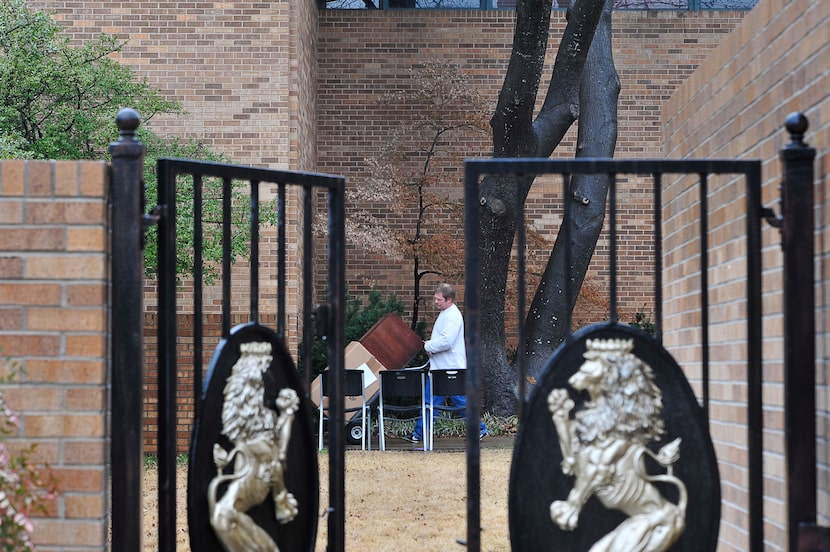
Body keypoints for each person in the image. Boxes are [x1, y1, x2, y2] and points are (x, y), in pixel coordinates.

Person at [404, 283, 488, 443]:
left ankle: (479, 429)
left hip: (448, 369)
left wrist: (427, 345)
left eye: (438, 299)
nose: (435, 302)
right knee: (438, 402)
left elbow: (447, 341)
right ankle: (420, 433)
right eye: (435, 298)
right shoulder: (447, 313)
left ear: (449, 299)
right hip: (443, 369)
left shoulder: (452, 316)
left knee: (452, 402)